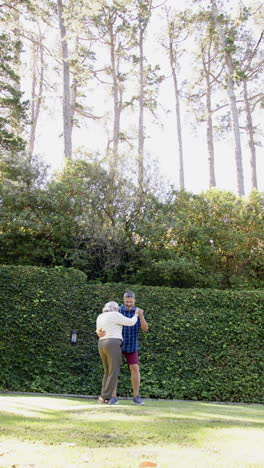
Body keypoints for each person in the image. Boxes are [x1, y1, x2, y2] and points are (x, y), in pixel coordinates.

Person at [98, 291, 148, 405]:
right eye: (127, 301)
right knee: (113, 369)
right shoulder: (116, 310)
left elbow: (145, 329)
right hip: (116, 344)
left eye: (131, 302)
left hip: (131, 344)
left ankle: (136, 397)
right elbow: (104, 324)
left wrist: (141, 316)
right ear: (123, 300)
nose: (129, 303)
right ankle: (113, 397)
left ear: (134, 301)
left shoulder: (138, 312)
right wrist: (99, 332)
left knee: (135, 368)